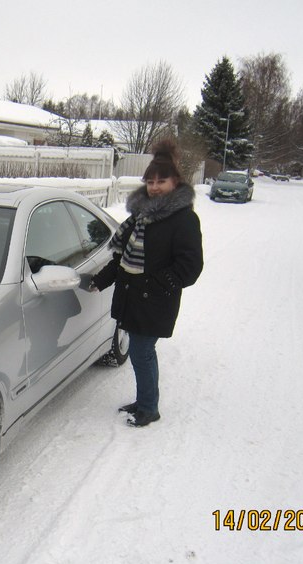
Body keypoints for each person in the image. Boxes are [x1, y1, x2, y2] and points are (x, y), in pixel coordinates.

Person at [90, 140, 203, 427]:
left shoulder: (183, 219)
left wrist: (158, 282)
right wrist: (100, 281)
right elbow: (123, 259)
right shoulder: (141, 216)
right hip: (132, 297)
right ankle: (144, 401)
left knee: (142, 353)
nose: (154, 187)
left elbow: (190, 266)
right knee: (141, 354)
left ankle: (149, 407)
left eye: (161, 181)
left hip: (153, 300)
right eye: (150, 181)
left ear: (175, 182)